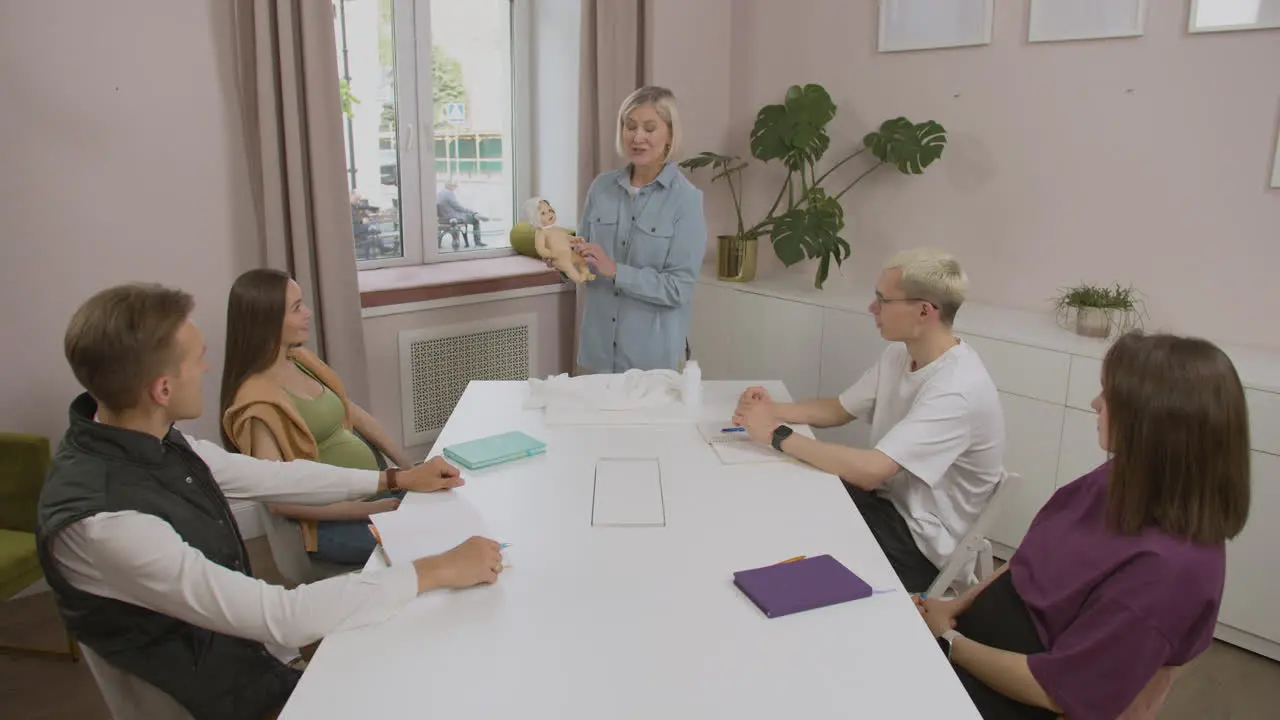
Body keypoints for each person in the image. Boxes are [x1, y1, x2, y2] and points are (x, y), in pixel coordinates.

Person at [36, 283, 506, 720]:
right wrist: (435, 569)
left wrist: (393, 477)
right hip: (211, 696)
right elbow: (277, 615)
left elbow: (272, 477)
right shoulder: (106, 522)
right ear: (161, 389)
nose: (205, 368)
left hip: (240, 657)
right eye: (198, 359)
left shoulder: (150, 439)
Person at [916, 332, 1250, 719]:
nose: (1095, 404)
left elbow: (1056, 690)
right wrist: (952, 607)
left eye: (1109, 395)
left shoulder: (1170, 571)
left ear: (1155, 422)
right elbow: (1027, 563)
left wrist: (947, 639)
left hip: (1011, 694)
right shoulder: (1121, 478)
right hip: (970, 642)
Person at [733, 248, 1004, 593]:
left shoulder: (957, 388)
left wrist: (775, 433)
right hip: (887, 506)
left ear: (924, 311)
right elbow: (838, 409)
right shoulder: (900, 354)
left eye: (883, 300)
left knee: (785, 519)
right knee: (784, 488)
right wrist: (772, 411)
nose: (872, 308)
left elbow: (872, 470)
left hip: (920, 547)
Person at [220, 268, 410, 566]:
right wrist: (377, 508)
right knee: (433, 539)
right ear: (266, 321)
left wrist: (410, 470)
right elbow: (280, 501)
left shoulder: (299, 359)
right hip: (332, 525)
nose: (308, 313)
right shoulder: (256, 404)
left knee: (450, 506)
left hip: (373, 497)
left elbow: (354, 414)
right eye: (297, 308)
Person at [572, 85, 707, 373]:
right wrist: (564, 260)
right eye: (630, 126)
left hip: (651, 362)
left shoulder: (686, 200)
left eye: (650, 128)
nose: (638, 137)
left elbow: (678, 288)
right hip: (597, 354)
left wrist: (616, 270)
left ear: (670, 134)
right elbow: (583, 262)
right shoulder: (601, 188)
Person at [436, 180, 486, 247]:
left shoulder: (439, 193)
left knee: (471, 214)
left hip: (442, 219)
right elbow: (458, 207)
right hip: (453, 219)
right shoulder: (449, 193)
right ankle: (478, 242)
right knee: (475, 219)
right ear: (450, 186)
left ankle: (477, 215)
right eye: (454, 186)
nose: (455, 188)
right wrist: (470, 210)